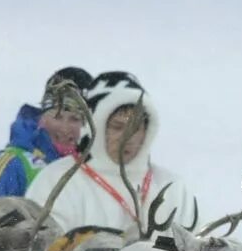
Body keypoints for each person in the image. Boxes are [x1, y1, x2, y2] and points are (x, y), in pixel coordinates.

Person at [25, 71, 195, 233]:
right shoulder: (57, 181)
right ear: (96, 128)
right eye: (118, 127)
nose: (128, 137)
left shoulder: (172, 187)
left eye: (136, 128)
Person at [0, 67, 93, 207]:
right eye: (57, 117)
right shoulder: (14, 163)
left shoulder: (97, 172)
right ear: (42, 118)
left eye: (75, 119)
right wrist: (21, 220)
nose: (64, 128)